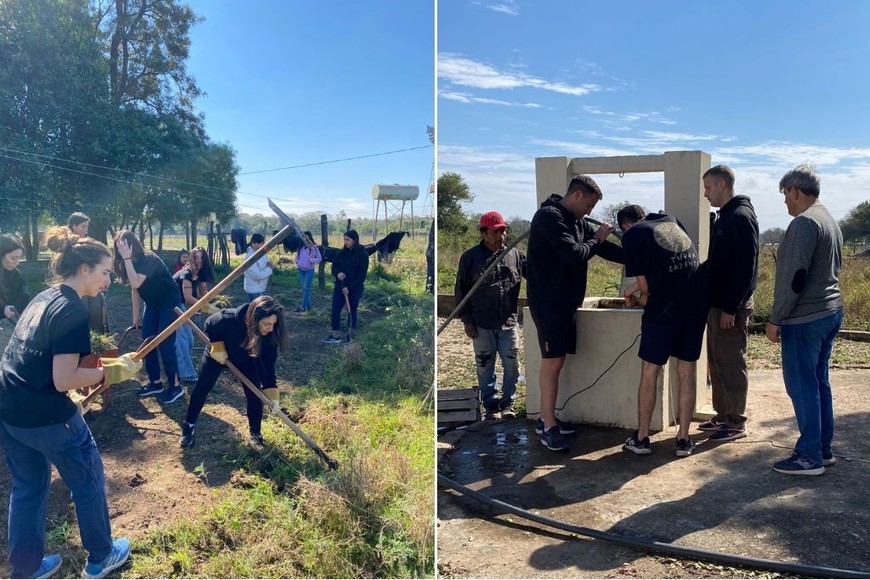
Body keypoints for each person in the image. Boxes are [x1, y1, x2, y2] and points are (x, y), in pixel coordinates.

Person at [0, 227, 136, 579]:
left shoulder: (44, 297)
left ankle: (26, 569)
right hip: (46, 415)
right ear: (84, 269)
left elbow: (37, 359)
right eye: (106, 272)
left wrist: (91, 372)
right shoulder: (73, 310)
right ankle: (101, 556)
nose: (109, 280)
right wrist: (112, 371)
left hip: (11, 407)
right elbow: (64, 379)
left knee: (28, 487)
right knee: (87, 478)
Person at [526, 175, 623, 451]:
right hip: (548, 302)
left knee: (557, 360)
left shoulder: (576, 221)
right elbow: (575, 254)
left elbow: (598, 249)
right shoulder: (549, 217)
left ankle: (548, 417)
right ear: (577, 195)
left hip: (566, 302)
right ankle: (547, 426)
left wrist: (637, 256)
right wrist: (596, 239)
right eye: (590, 205)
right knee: (552, 361)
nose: (590, 212)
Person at [765, 164, 843, 476]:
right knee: (818, 382)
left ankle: (809, 456)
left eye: (785, 194)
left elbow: (793, 279)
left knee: (802, 385)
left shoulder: (803, 224)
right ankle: (822, 448)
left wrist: (776, 318)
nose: (784, 201)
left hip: (805, 317)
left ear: (796, 191)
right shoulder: (829, 220)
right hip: (830, 311)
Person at [618, 208, 708, 457]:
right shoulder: (672, 219)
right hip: (696, 306)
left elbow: (646, 285)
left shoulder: (632, 235)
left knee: (650, 372)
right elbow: (671, 268)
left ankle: (642, 437)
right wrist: (636, 288)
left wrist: (638, 294)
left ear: (626, 226)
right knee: (686, 372)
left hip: (664, 311)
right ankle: (683, 439)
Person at [179, 295, 287, 448]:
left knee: (254, 393)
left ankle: (256, 434)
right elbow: (210, 323)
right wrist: (217, 346)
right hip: (218, 355)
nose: (270, 328)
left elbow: (268, 369)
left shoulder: (269, 338)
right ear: (254, 320)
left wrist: (272, 394)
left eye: (273, 324)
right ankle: (188, 427)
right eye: (266, 324)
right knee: (203, 387)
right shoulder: (229, 318)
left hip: (247, 359)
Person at [701, 165, 759, 442]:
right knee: (716, 362)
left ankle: (736, 421)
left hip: (729, 307)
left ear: (722, 185)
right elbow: (717, 264)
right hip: (717, 304)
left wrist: (730, 308)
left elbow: (746, 268)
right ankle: (723, 415)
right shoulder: (724, 217)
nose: (705, 194)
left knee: (731, 362)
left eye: (708, 187)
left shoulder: (740, 216)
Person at [454, 211, 526, 419]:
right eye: (496, 232)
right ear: (484, 233)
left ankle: (508, 403)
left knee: (511, 363)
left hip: (508, 322)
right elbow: (461, 291)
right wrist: (467, 320)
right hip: (481, 322)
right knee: (485, 364)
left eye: (503, 231)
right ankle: (491, 405)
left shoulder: (515, 255)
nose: (501, 235)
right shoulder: (470, 258)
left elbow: (537, 274)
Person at [113, 230, 184, 404]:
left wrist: (127, 258)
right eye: (118, 248)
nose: (121, 252)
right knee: (147, 342)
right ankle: (155, 383)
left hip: (169, 302)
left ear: (131, 245)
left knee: (165, 342)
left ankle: (175, 387)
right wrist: (135, 315)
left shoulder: (149, 259)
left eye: (123, 247)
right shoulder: (127, 263)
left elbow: (136, 281)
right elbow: (134, 288)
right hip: (152, 304)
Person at [323, 230, 369, 344]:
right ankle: (335, 336)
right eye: (344, 239)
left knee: (351, 311)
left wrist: (350, 288)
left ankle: (350, 335)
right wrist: (337, 273)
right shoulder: (341, 253)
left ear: (355, 240)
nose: (345, 242)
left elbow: (361, 276)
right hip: (340, 287)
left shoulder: (363, 255)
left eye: (348, 239)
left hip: (355, 289)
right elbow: (334, 267)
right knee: (335, 310)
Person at [1, 234, 29, 323]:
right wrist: (2, 309)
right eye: (13, 258)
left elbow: (22, 299)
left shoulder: (17, 275)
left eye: (19, 258)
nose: (17, 263)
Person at [294, 230, 322, 313]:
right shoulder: (300, 247)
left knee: (306, 288)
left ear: (309, 237)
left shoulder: (314, 247)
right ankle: (309, 306)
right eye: (303, 237)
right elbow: (296, 258)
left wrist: (313, 260)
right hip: (301, 270)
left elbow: (319, 258)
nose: (305, 239)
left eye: (306, 237)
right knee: (305, 289)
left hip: (309, 270)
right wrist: (298, 262)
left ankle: (302, 307)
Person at [243, 233, 273, 302]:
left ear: (263, 243)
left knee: (253, 309)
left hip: (258, 287)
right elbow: (256, 275)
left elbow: (265, 265)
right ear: (251, 243)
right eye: (254, 242)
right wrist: (269, 269)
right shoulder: (250, 256)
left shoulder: (262, 253)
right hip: (254, 289)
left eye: (259, 242)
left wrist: (268, 265)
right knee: (257, 310)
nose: (256, 245)